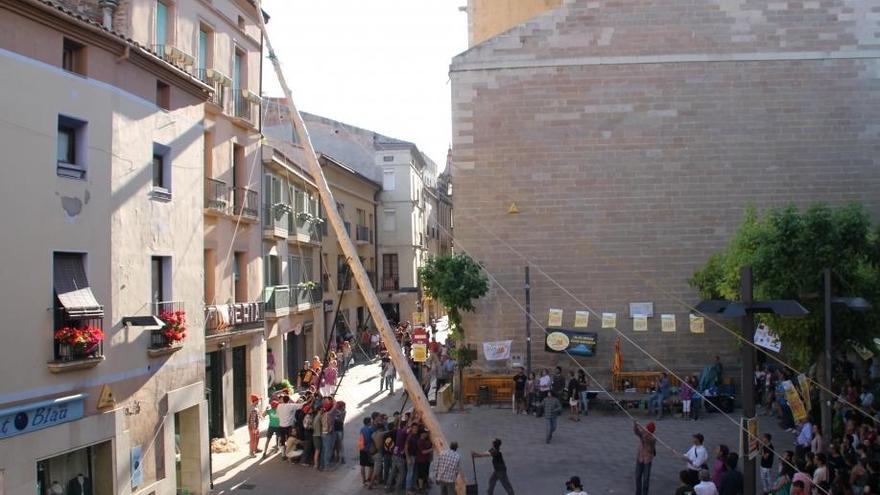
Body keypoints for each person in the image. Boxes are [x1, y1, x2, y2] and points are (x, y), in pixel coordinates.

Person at [634, 421, 656, 495]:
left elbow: (647, 442)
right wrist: (635, 425)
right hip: (640, 458)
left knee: (646, 480)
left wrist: (643, 432)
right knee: (637, 477)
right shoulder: (643, 433)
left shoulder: (653, 439)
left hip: (647, 460)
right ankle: (638, 493)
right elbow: (637, 432)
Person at [275, 394, 296, 460]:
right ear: (288, 400)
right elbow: (298, 406)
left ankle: (283, 455)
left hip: (281, 426)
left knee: (282, 440)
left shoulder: (279, 406)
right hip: (289, 426)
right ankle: (288, 454)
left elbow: (277, 415)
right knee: (289, 440)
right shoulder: (290, 406)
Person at [358, 417, 374, 485]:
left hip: (362, 449)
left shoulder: (362, 429)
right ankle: (369, 478)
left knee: (362, 465)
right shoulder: (370, 430)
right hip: (368, 449)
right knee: (371, 465)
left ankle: (363, 480)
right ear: (368, 422)